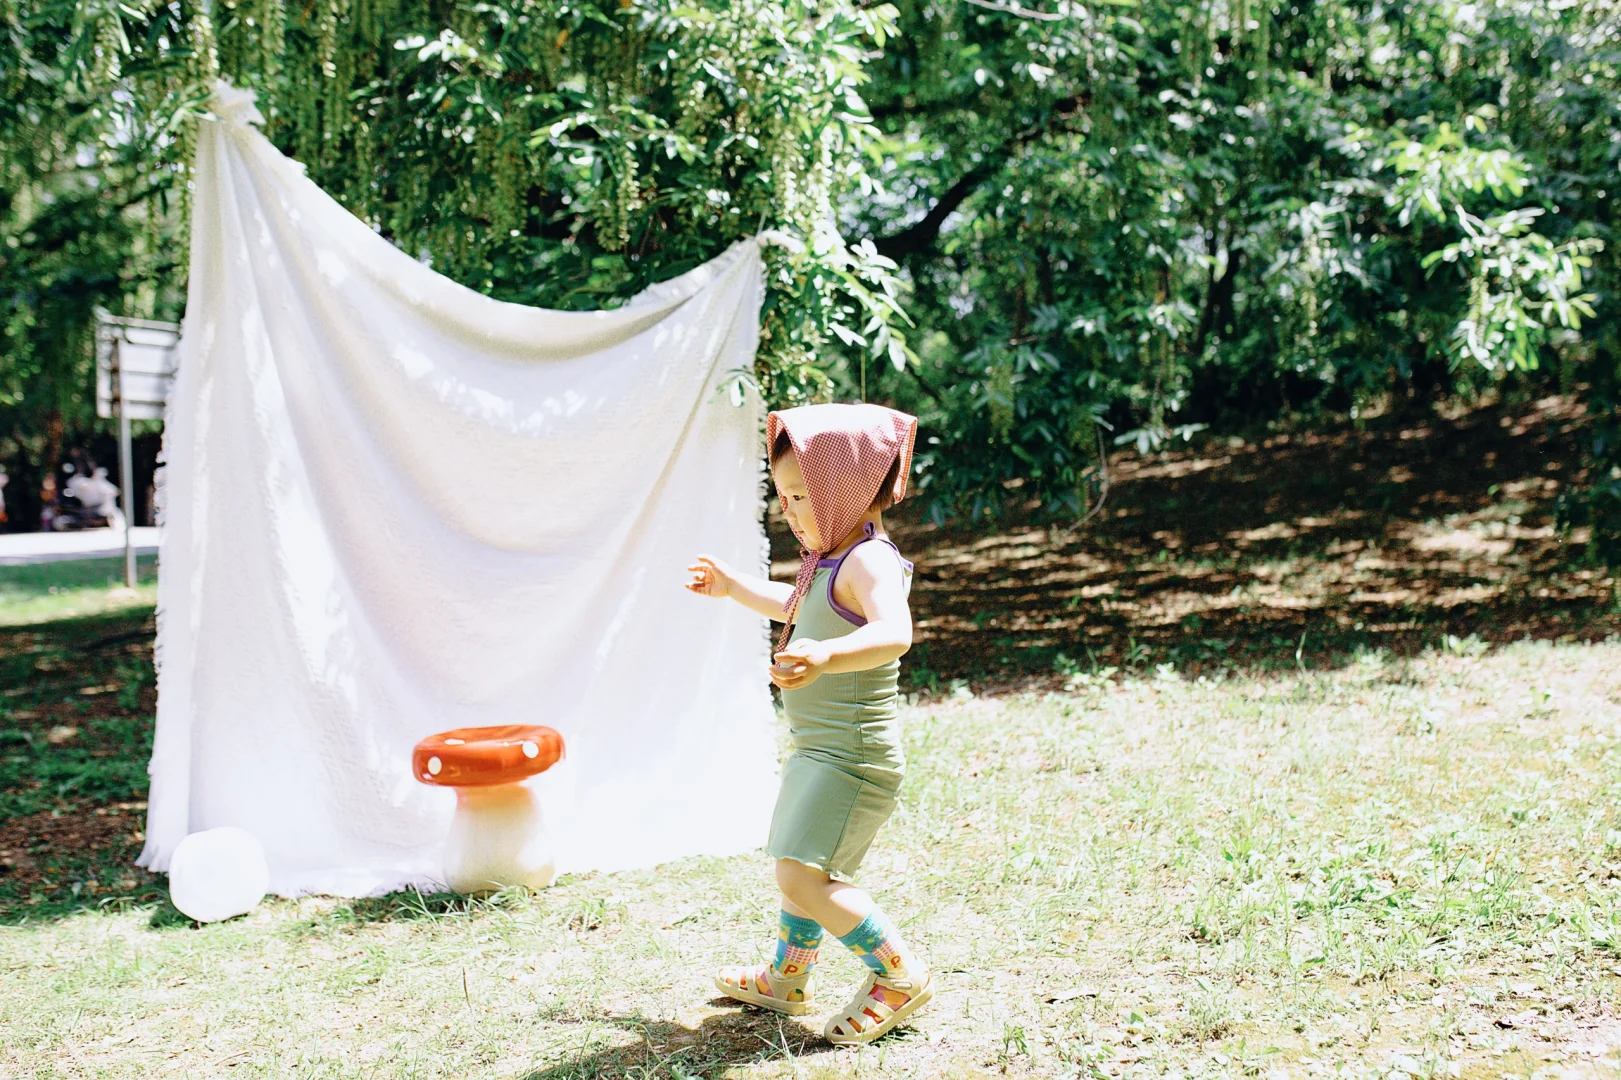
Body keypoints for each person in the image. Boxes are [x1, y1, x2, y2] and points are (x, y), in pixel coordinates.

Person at [685, 402, 933, 1046]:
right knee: (799, 861)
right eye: (784, 494)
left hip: (853, 755)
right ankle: (787, 977)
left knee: (802, 875)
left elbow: (894, 632)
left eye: (801, 494)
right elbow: (799, 605)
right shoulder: (829, 557)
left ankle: (898, 976)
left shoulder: (869, 561)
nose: (788, 508)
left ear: (845, 488)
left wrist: (825, 655)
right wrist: (737, 587)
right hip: (818, 749)